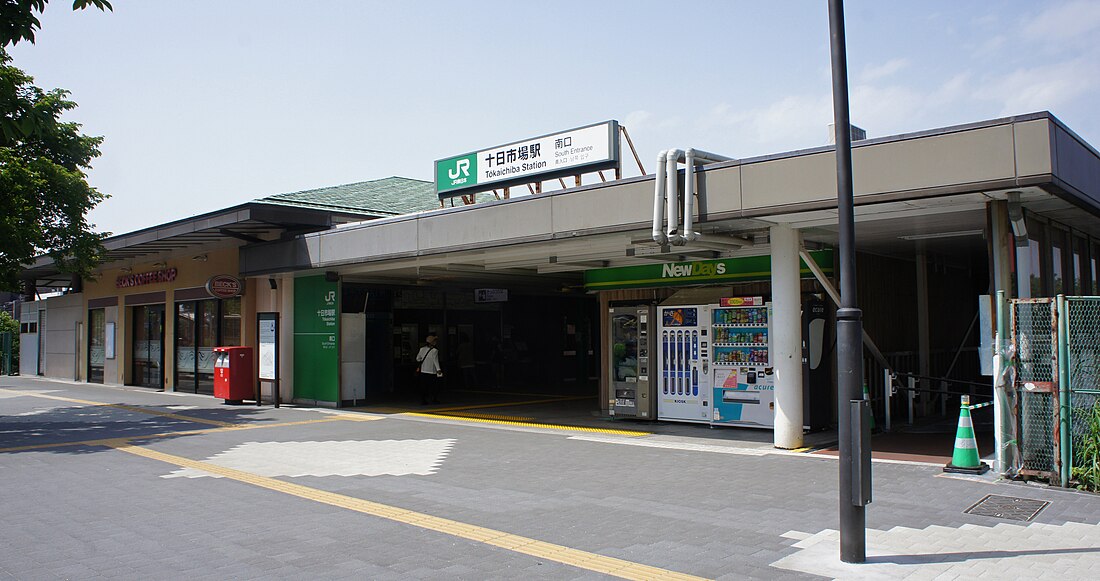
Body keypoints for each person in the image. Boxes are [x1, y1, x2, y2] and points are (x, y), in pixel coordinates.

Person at [416, 332, 442, 404]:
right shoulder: (435, 351)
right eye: (435, 341)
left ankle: (423, 400)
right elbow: (435, 361)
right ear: (433, 342)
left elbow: (418, 359)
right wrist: (438, 370)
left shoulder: (422, 349)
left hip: (423, 371)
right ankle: (434, 399)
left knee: (424, 386)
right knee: (434, 386)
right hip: (432, 371)